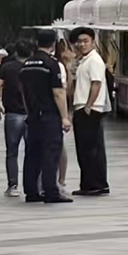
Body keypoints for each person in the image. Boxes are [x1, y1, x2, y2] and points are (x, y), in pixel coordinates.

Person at [19, 29, 72, 204]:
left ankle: (31, 191)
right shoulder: (51, 64)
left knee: (32, 154)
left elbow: (24, 93)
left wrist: (29, 111)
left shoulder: (26, 64)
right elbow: (58, 92)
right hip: (49, 115)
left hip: (33, 115)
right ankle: (51, 192)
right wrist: (64, 117)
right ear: (54, 43)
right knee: (50, 154)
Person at [69, 26, 110, 196]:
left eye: (85, 41)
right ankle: (89, 183)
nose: (81, 44)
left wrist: (88, 106)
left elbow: (97, 83)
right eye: (79, 41)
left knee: (90, 149)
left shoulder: (94, 60)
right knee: (85, 148)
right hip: (83, 107)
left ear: (93, 42)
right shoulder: (84, 60)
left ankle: (96, 183)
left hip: (90, 109)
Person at [0, 38, 32, 197]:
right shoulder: (34, 67)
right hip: (31, 114)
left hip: (12, 114)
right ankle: (34, 184)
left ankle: (13, 185)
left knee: (12, 152)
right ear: (31, 51)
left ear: (15, 52)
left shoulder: (7, 67)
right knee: (32, 151)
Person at [56, 37, 74, 198]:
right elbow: (63, 92)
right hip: (56, 112)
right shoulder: (59, 66)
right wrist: (65, 116)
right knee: (59, 146)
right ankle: (60, 181)